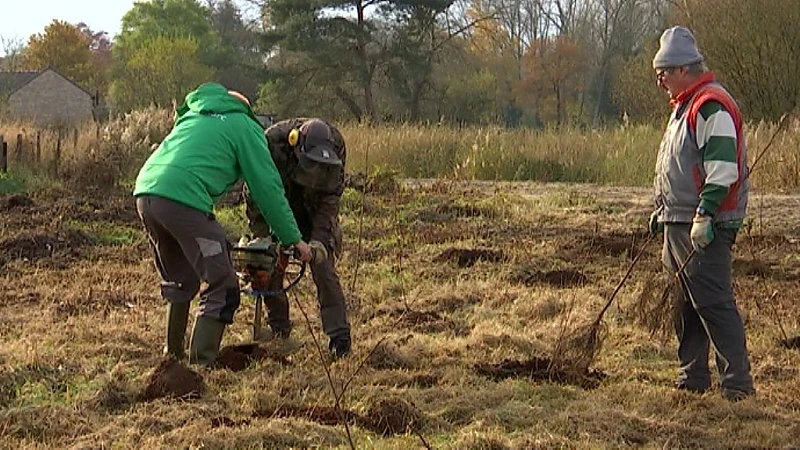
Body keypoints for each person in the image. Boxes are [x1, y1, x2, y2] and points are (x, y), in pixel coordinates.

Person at [134, 83, 313, 366]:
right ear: (246, 108)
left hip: (146, 194)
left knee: (181, 278)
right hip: (184, 199)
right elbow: (267, 189)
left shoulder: (194, 115)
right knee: (224, 284)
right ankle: (201, 365)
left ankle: (173, 360)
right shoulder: (245, 126)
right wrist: (294, 239)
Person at [648, 26, 755, 401]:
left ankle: (737, 386)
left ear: (682, 69)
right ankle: (692, 376)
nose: (659, 79)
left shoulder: (711, 105)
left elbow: (723, 169)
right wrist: (662, 212)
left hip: (705, 224)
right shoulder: (684, 107)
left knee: (712, 301)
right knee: (684, 302)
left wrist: (705, 214)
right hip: (677, 221)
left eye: (663, 71)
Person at [244, 117, 352, 358]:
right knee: (268, 262)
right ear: (295, 147)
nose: (315, 173)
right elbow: (255, 193)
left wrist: (318, 242)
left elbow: (330, 200)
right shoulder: (270, 145)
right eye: (310, 165)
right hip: (276, 205)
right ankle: (279, 328)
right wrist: (262, 238)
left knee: (323, 268)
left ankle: (339, 338)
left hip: (313, 210)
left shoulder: (337, 147)